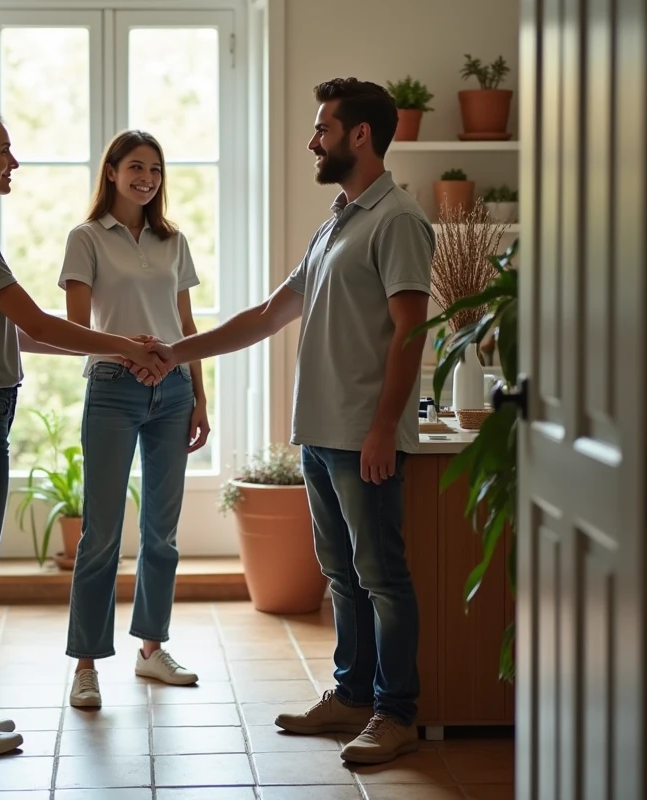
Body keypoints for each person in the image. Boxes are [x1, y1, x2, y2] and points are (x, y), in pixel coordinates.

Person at [144, 78, 433, 765]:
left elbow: (410, 331)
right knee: (342, 574)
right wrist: (177, 353)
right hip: (322, 433)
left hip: (364, 436)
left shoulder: (397, 220)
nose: (313, 140)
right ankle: (353, 694)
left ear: (359, 135)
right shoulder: (338, 220)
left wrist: (383, 427)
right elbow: (269, 314)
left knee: (382, 576)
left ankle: (397, 714)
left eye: (322, 128)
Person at [0, 105, 172, 761]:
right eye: (3, 151)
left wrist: (108, 349)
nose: (12, 162)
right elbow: (39, 322)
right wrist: (122, 344)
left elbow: (13, 334)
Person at [58, 131, 210, 708]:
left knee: (161, 533)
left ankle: (151, 651)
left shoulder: (174, 241)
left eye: (156, 169)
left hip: (172, 390)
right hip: (114, 389)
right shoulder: (86, 238)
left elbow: (187, 326)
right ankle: (86, 665)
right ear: (113, 172)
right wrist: (130, 349)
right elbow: (75, 330)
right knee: (100, 534)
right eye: (136, 168)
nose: (147, 178)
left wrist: (199, 396)